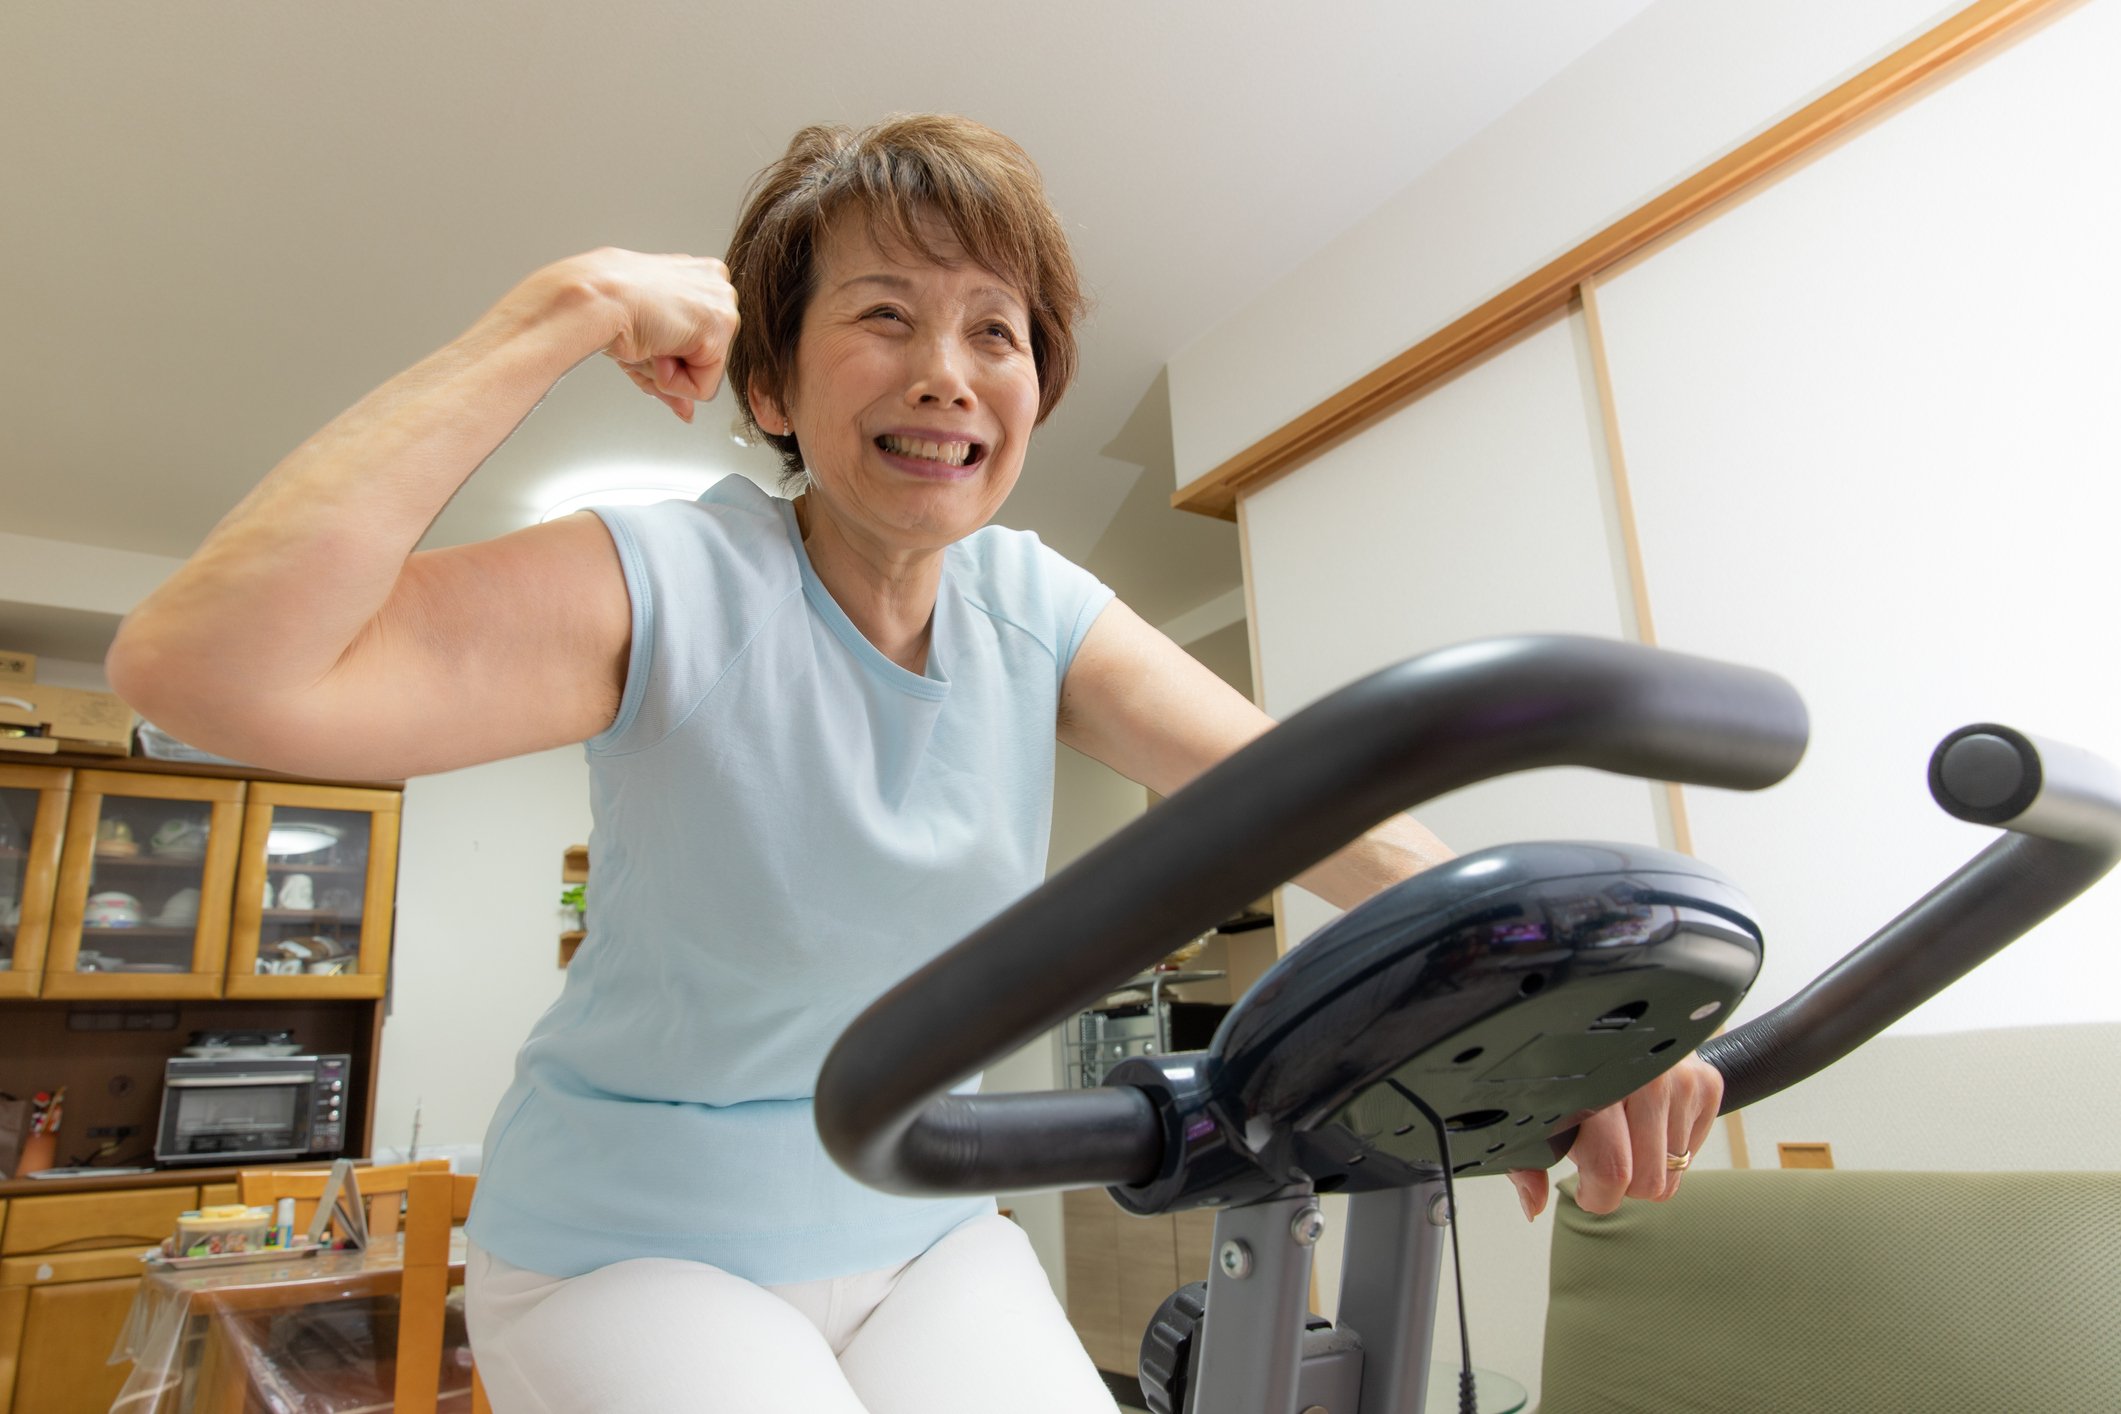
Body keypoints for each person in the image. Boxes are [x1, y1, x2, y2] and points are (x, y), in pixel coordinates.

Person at [108, 115, 1723, 1413]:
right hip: (633, 1244)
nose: (949, 369)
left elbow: (1315, 803)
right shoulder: (670, 578)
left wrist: (1564, 1016)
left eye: (995, 333)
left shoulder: (1033, 604)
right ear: (771, 385)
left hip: (919, 1221)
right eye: (882, 316)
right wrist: (567, 308)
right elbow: (204, 668)